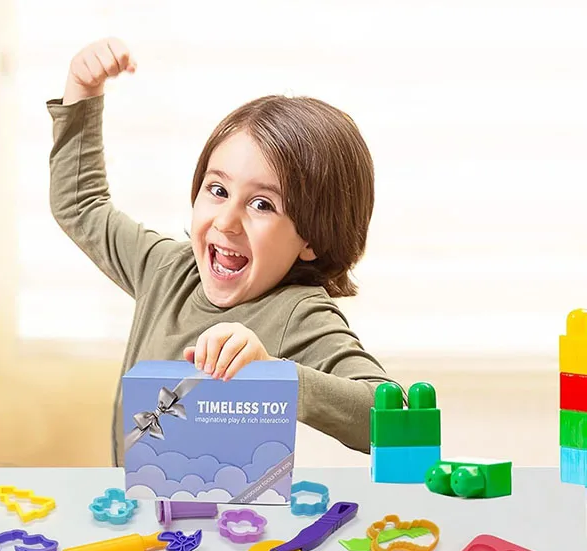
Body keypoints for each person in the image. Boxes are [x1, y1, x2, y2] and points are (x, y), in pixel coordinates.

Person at [47, 37, 397, 467]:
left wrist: (273, 372)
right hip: (142, 515)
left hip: (239, 531)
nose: (227, 221)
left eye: (262, 204)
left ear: (313, 239)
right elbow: (80, 206)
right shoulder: (166, 269)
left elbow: (391, 419)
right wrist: (82, 92)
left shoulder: (297, 312)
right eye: (218, 190)